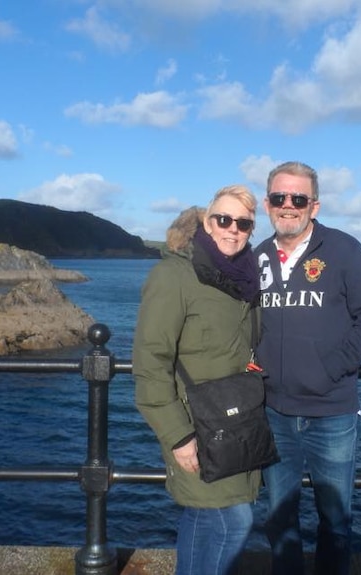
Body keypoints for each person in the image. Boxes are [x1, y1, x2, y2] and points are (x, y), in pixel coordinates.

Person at [255, 161, 361, 575]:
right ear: (268, 204)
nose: (289, 206)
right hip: (273, 411)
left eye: (299, 198)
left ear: (314, 205)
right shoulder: (257, 256)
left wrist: (330, 368)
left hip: (332, 412)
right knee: (279, 519)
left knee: (335, 521)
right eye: (280, 198)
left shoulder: (344, 250)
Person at [132, 184, 262, 575]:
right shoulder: (174, 276)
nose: (232, 229)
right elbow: (150, 361)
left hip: (236, 420)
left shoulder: (244, 277)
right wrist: (178, 435)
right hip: (196, 425)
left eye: (243, 223)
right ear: (206, 222)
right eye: (223, 219)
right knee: (235, 520)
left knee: (204, 517)